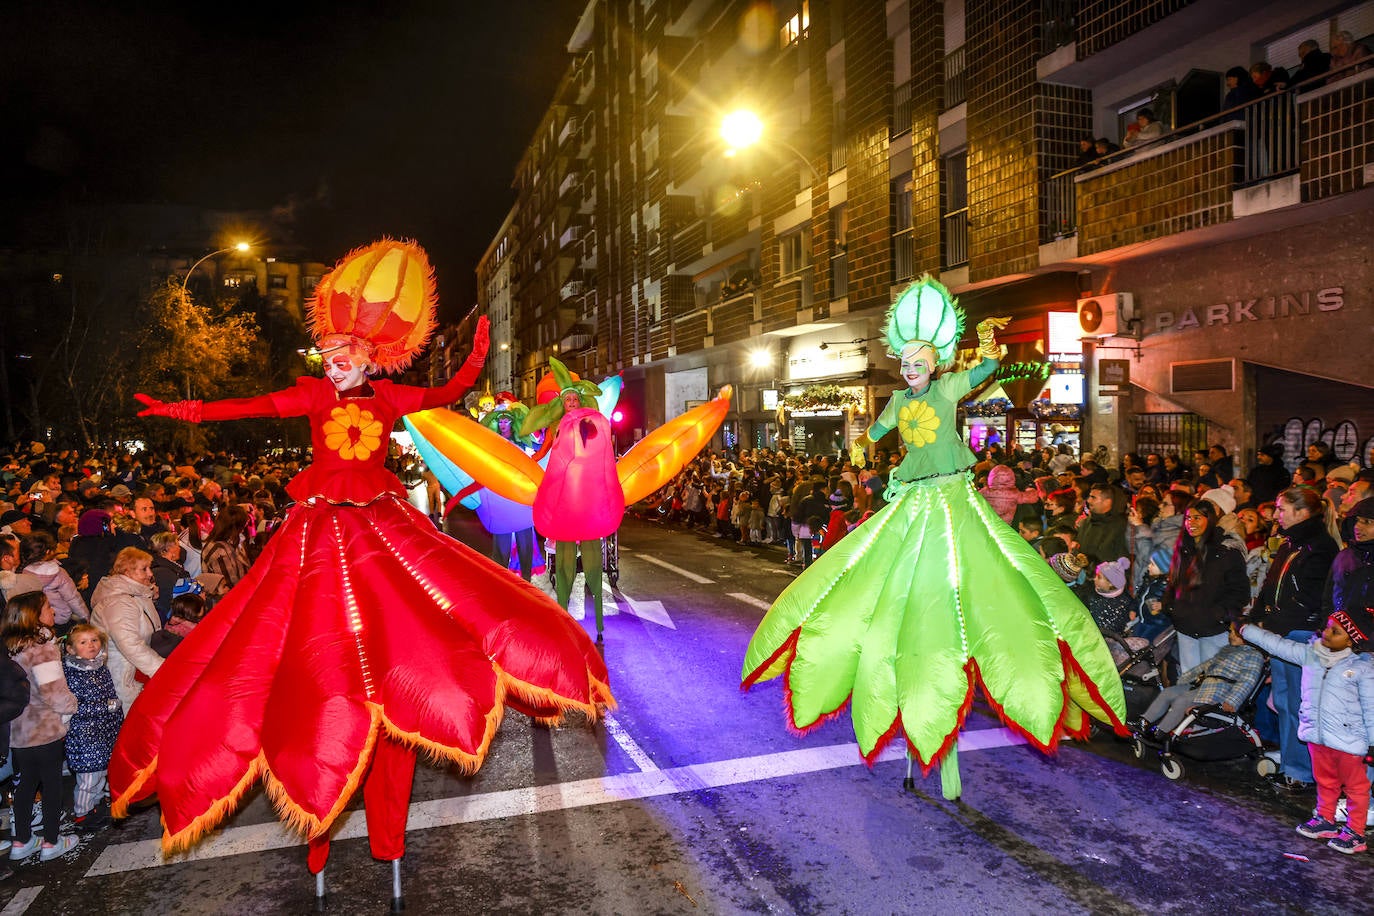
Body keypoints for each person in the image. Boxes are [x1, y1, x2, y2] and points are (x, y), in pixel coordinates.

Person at [119, 240, 612, 885]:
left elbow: (450, 390)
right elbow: (241, 407)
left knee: (426, 604)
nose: (333, 366)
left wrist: (477, 355)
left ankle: (396, 789)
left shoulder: (389, 400)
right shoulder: (310, 397)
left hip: (382, 523)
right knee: (293, 630)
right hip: (320, 527)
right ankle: (317, 800)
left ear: (368, 359)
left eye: (343, 357)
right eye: (327, 357)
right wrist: (180, 410)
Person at [743, 277, 1125, 800]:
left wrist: (991, 349)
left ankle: (945, 718)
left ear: (934, 364)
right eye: (905, 363)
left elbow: (986, 371)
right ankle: (912, 711)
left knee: (966, 593)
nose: (910, 370)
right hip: (910, 500)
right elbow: (875, 431)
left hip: (951, 500)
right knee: (894, 597)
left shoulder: (947, 388)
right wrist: (860, 450)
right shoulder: (899, 399)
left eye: (918, 362)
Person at [1241, 609, 1374, 855]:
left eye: (1336, 631)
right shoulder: (1311, 654)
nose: (1326, 634)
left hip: (1348, 741)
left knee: (1356, 787)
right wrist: (1246, 629)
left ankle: (1355, 833)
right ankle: (1326, 820)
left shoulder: (1363, 669)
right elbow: (1278, 645)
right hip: (1317, 736)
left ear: (1352, 639)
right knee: (1325, 781)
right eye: (1327, 627)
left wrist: (1373, 742)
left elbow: (1371, 706)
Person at [1250, 486, 1341, 793]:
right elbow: (1271, 585)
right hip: (1280, 633)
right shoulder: (1291, 542)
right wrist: (1256, 618)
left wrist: (1269, 625)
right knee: (1287, 703)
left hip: (1299, 634)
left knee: (1301, 704)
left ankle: (1304, 771)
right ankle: (1293, 767)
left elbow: (1309, 599)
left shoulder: (1320, 547)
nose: (1276, 515)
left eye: (1281, 508)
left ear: (1302, 512)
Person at [2, 591, 80, 862]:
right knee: (52, 784)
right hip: (44, 728)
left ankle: (21, 839)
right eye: (48, 607)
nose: (54, 612)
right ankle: (51, 841)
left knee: (25, 785)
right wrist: (73, 705)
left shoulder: (11, 646)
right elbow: (54, 693)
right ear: (35, 615)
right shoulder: (41, 648)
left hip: (19, 730)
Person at [1163, 499, 1250, 671]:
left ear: (1209, 519)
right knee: (1188, 679)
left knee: (1210, 680)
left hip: (1213, 629)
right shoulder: (1183, 549)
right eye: (1188, 518)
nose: (1191, 523)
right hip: (1186, 626)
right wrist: (1172, 607)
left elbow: (1239, 590)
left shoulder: (1225, 551)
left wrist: (1219, 614)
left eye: (1197, 518)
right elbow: (1173, 583)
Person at [1132, 626, 1264, 736]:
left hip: (1221, 692)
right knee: (1168, 693)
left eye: (1235, 633)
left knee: (1182, 700)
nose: (1231, 635)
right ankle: (1144, 722)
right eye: (1230, 632)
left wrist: (1232, 701)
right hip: (1207, 685)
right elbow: (1207, 665)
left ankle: (1161, 732)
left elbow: (1247, 681)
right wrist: (1186, 678)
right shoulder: (1228, 650)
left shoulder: (1253, 655)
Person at [62, 622, 123, 832]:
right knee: (88, 778)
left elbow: (110, 695)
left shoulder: (99, 667)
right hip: (85, 735)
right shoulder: (73, 674)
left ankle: (95, 808)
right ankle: (82, 814)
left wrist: (116, 715)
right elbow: (75, 707)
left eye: (95, 640)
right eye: (83, 642)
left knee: (100, 774)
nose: (91, 645)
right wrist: (106, 707)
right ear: (70, 649)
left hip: (104, 731)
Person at [90, 547, 163, 710]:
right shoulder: (119, 602)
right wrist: (161, 669)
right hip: (122, 678)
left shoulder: (133, 594)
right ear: (127, 572)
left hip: (132, 672)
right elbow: (129, 643)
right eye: (144, 569)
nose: (150, 574)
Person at [1077, 483, 1129, 567]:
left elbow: (1120, 560)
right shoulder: (1086, 523)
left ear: (1107, 502)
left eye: (1093, 497)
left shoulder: (1121, 527)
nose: (1088, 500)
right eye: (1089, 496)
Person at [1087, 558, 1134, 632]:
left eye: (1099, 577)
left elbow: (1114, 629)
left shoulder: (1121, 603)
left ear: (1111, 583)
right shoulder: (1093, 592)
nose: (1094, 579)